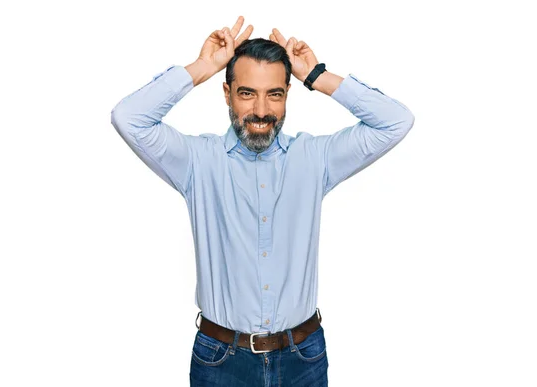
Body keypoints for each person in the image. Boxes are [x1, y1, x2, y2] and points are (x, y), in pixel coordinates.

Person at [110, 15, 414, 387]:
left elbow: (396, 121)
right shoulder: (196, 160)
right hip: (221, 362)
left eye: (274, 94)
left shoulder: (315, 158)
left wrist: (317, 75)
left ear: (288, 94)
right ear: (227, 94)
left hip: (304, 358)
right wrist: (203, 67)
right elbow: (128, 117)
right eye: (246, 93)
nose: (260, 111)